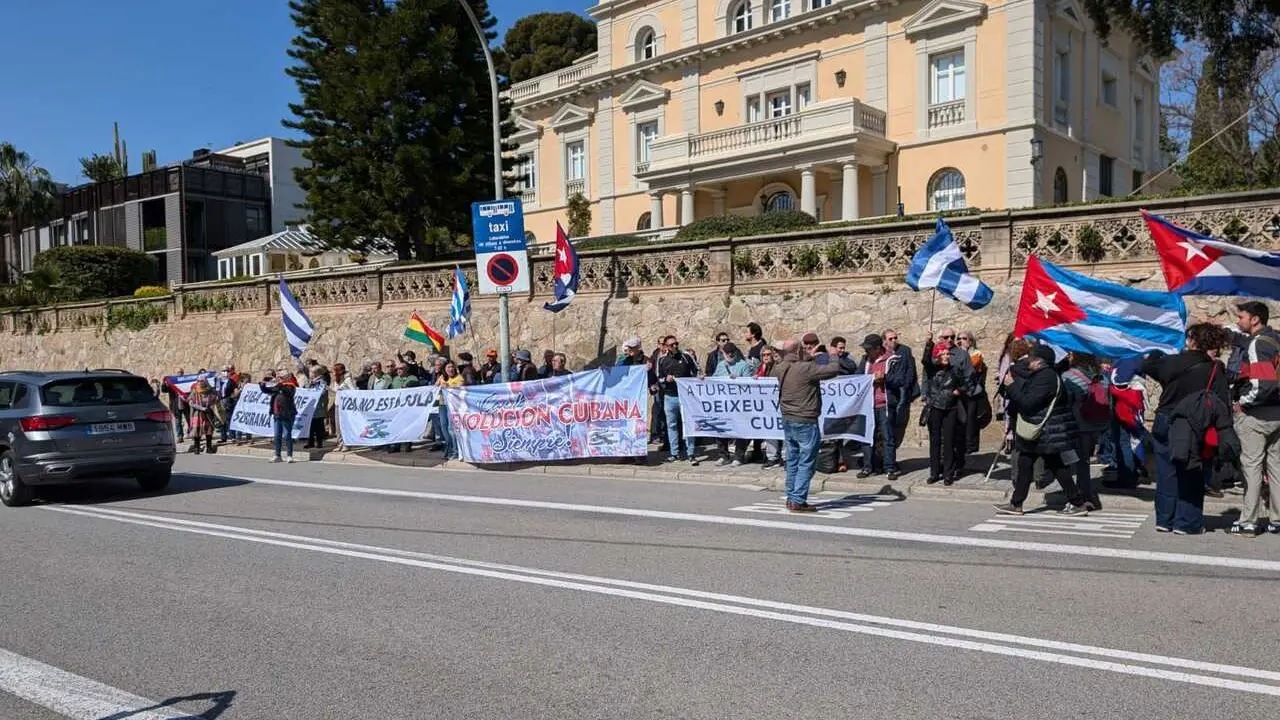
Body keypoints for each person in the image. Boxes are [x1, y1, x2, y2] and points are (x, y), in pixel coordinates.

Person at [1139, 323, 1235, 534]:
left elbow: (1145, 366)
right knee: (1192, 472)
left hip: (1165, 420)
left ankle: (1164, 519)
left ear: (1192, 341)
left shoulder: (1170, 362)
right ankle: (1187, 522)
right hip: (1194, 424)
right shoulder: (1214, 369)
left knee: (1166, 472)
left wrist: (1154, 354)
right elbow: (1221, 403)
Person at [993, 344, 1091, 516]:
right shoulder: (1042, 373)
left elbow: (1028, 402)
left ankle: (1077, 502)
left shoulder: (1046, 377)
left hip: (1044, 432)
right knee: (1028, 463)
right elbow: (1020, 368)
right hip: (1041, 431)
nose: (1027, 360)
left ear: (1039, 362)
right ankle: (1017, 503)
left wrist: (1011, 385)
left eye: (1031, 358)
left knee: (1056, 466)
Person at [1227, 301, 1280, 535]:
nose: (1239, 322)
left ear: (1255, 319)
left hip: (1256, 415)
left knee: (1252, 467)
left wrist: (1242, 403)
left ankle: (1248, 520)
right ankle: (1277, 520)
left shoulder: (1258, 345)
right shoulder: (1275, 340)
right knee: (1276, 468)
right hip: (1277, 414)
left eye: (1241, 317)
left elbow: (1262, 384)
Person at [770, 339, 841, 511]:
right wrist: (833, 356)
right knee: (807, 461)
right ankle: (798, 500)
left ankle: (790, 496)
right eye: (802, 348)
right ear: (798, 351)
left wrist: (807, 356)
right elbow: (833, 370)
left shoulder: (779, 368)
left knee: (793, 460)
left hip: (788, 419)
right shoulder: (805, 369)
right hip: (806, 421)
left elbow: (793, 363)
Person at [1062, 353, 1107, 510]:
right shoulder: (1100, 375)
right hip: (1095, 423)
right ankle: (1084, 494)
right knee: (1084, 461)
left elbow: (1066, 400)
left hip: (1077, 423)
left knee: (1073, 462)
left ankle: (1080, 497)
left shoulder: (1068, 376)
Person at [856, 334, 902, 481]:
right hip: (868, 405)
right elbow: (857, 378)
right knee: (867, 437)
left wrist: (885, 378)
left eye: (869, 349)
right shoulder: (865, 361)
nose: (867, 352)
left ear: (878, 348)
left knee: (887, 436)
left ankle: (890, 467)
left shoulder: (892, 360)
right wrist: (870, 379)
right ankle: (867, 466)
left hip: (885, 403)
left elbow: (899, 380)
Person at [923, 344, 966, 485]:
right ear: (937, 356)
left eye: (948, 354)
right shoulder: (932, 370)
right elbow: (925, 360)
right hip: (935, 407)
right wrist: (929, 343)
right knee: (935, 441)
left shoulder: (955, 370)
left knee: (949, 442)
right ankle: (934, 473)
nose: (947, 356)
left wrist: (959, 390)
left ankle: (948, 474)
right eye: (943, 354)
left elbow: (968, 382)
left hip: (950, 408)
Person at [656, 335, 700, 465]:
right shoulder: (662, 360)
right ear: (666, 347)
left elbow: (697, 370)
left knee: (688, 424)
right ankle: (674, 453)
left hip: (686, 396)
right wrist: (666, 379)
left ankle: (691, 453)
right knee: (672, 425)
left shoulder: (686, 356)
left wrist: (699, 378)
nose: (675, 346)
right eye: (671, 345)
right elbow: (659, 378)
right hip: (670, 396)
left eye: (676, 344)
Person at [712, 342, 757, 466]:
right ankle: (723, 455)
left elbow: (749, 384)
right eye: (727, 352)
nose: (730, 354)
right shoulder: (720, 365)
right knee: (721, 429)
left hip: (738, 404)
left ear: (736, 352)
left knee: (740, 430)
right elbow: (714, 379)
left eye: (732, 352)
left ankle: (738, 456)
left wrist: (738, 379)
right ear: (723, 353)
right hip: (723, 403)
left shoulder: (743, 366)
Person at [882, 329, 919, 448]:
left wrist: (905, 386)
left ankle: (893, 453)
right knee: (887, 426)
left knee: (900, 425)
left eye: (895, 338)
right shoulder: (881, 353)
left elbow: (910, 370)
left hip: (903, 391)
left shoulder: (905, 350)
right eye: (890, 339)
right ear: (884, 341)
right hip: (888, 393)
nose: (894, 340)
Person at [617, 337, 651, 465]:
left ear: (638, 348)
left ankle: (640, 455)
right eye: (628, 348)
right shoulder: (624, 360)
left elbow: (651, 378)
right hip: (625, 397)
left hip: (638, 398)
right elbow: (617, 372)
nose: (630, 350)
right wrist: (624, 357)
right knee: (625, 426)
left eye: (632, 348)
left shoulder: (646, 360)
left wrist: (648, 371)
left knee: (638, 426)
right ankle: (627, 454)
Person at [956, 331, 990, 456]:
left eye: (964, 338)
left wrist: (963, 352)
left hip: (971, 393)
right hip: (959, 393)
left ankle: (969, 447)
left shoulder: (977, 354)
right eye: (958, 338)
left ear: (970, 341)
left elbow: (968, 368)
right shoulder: (956, 354)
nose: (960, 341)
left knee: (970, 421)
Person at [754, 346, 784, 469]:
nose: (766, 357)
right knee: (770, 430)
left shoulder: (778, 367)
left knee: (783, 431)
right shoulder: (760, 369)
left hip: (780, 404)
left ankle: (786, 457)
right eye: (764, 355)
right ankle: (772, 457)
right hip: (767, 407)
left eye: (768, 354)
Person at [262, 374, 298, 463]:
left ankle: (289, 455)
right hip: (277, 414)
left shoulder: (290, 386)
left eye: (281, 377)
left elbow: (288, 393)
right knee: (277, 435)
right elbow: (267, 390)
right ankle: (277, 455)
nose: (279, 378)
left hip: (287, 414)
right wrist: (262, 385)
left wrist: (280, 384)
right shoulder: (277, 387)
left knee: (287, 435)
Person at [387, 363, 419, 453]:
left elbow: (416, 385)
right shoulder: (395, 379)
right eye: (397, 369)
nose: (398, 370)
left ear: (406, 369)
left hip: (408, 407)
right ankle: (396, 445)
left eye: (401, 368)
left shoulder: (412, 378)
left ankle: (407, 444)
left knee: (407, 426)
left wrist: (408, 385)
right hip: (396, 407)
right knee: (396, 427)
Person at [185, 379, 218, 455]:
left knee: (209, 430)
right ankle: (197, 448)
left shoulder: (210, 392)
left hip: (208, 413)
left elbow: (214, 400)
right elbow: (191, 403)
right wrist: (201, 408)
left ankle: (209, 448)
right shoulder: (194, 391)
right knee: (197, 431)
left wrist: (213, 403)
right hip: (198, 414)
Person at [305, 366, 330, 450]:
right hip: (311, 408)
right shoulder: (311, 382)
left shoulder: (322, 382)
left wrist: (314, 390)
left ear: (315, 374)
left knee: (318, 426)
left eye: (311, 372)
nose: (309, 374)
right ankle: (310, 442)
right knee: (310, 426)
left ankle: (319, 442)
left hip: (318, 408)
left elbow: (323, 393)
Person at [333, 364, 357, 452]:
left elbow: (354, 390)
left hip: (345, 406)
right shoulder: (336, 380)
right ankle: (340, 443)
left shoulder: (347, 380)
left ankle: (347, 444)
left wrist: (344, 390)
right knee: (338, 426)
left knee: (345, 426)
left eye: (334, 370)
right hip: (337, 404)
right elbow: (335, 390)